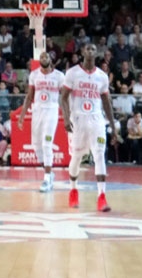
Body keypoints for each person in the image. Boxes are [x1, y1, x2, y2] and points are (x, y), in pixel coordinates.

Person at [60, 43, 118, 212]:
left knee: (99, 155)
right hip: (78, 119)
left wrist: (113, 126)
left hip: (96, 120)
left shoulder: (102, 76)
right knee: (77, 157)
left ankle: (102, 197)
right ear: (83, 52)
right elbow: (63, 97)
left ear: (97, 52)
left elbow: (106, 102)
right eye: (88, 49)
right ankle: (73, 189)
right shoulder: (72, 73)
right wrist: (65, 117)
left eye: (94, 49)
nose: (91, 51)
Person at [18, 51, 66, 192]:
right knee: (36, 145)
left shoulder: (59, 76)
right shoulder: (34, 75)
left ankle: (46, 179)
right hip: (37, 111)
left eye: (46, 56)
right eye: (42, 57)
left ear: (51, 59)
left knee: (47, 143)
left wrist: (68, 115)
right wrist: (22, 115)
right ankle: (50, 174)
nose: (44, 58)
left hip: (51, 110)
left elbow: (64, 98)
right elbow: (29, 96)